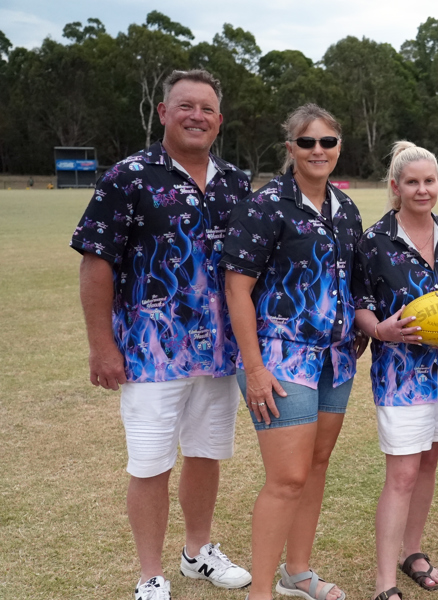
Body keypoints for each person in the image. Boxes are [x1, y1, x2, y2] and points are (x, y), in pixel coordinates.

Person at [71, 69, 252, 600]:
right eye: (186, 106)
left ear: (220, 120)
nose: (197, 116)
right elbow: (96, 264)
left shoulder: (237, 183)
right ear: (164, 112)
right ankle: (151, 574)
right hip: (150, 355)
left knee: (205, 454)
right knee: (150, 463)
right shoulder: (128, 176)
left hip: (219, 355)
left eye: (207, 109)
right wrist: (102, 346)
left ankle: (198, 554)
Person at [222, 104, 363, 600]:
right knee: (286, 478)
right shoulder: (266, 206)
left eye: (327, 142)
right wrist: (255, 368)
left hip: (335, 358)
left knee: (316, 466)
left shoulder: (345, 208)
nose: (318, 150)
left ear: (339, 146)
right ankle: (262, 591)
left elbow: (352, 279)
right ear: (291, 149)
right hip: (280, 358)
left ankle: (297, 573)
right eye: (307, 143)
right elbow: (237, 288)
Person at [352, 141, 438, 600]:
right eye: (412, 182)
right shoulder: (374, 240)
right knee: (401, 474)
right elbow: (360, 304)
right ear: (396, 187)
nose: (422, 189)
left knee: (429, 464)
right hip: (400, 378)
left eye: (429, 181)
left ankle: (412, 551)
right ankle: (385, 582)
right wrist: (381, 331)